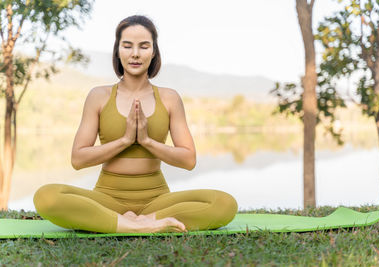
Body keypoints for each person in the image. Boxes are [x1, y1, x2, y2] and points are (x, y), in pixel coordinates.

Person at [33, 15, 238, 233]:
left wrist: (147, 141)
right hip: (106, 198)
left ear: (154, 52)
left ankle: (138, 221)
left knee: (224, 203)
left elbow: (188, 160)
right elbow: (78, 159)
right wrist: (125, 140)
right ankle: (141, 226)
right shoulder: (98, 96)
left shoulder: (169, 98)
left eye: (144, 46)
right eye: (127, 46)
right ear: (118, 50)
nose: (135, 54)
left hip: (157, 200)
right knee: (46, 196)